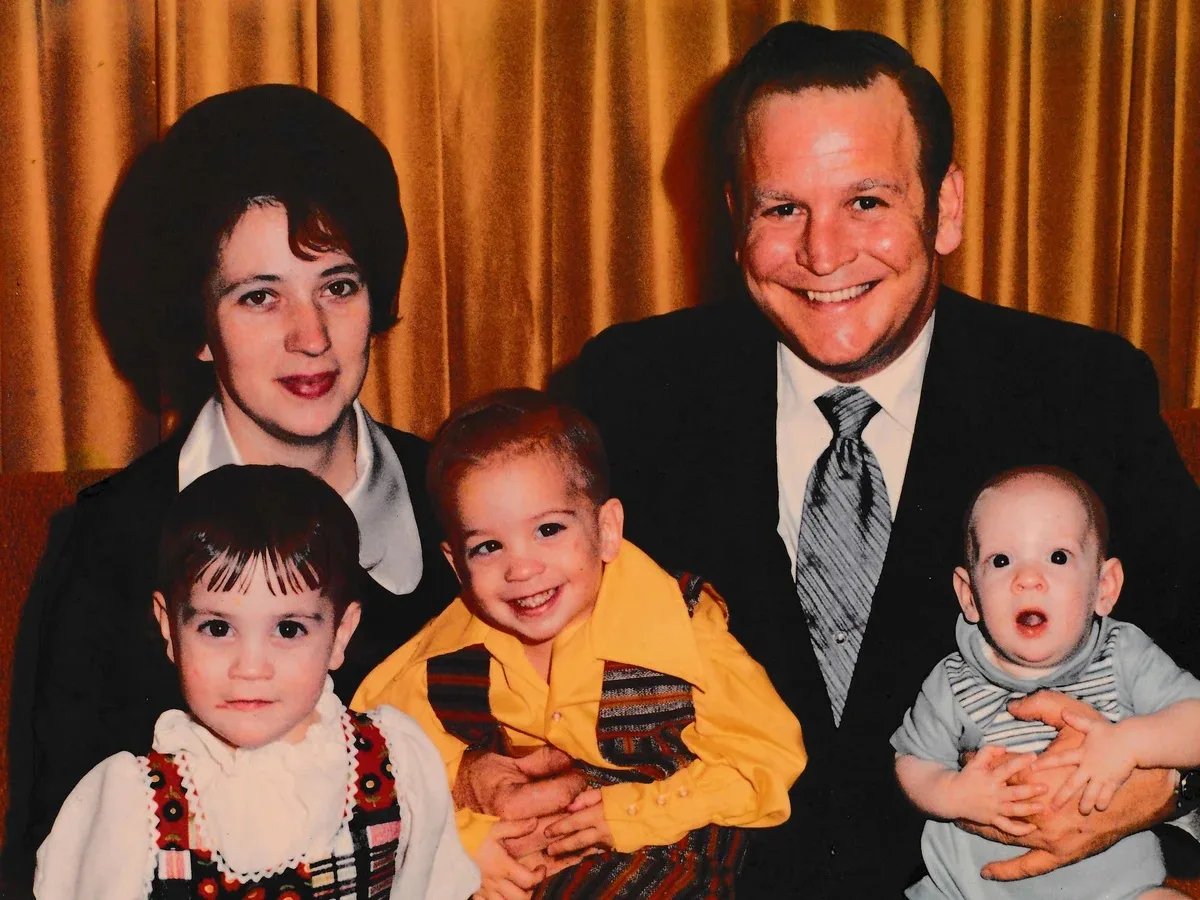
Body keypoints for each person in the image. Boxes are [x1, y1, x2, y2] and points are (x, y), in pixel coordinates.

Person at [566, 20, 1200, 897]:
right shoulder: (631, 389)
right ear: (733, 219)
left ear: (944, 208)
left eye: (866, 201)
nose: (823, 255)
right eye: (782, 207)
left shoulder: (1081, 390)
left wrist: (1163, 793)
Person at [11, 84, 458, 878]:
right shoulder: (112, 545)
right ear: (199, 331)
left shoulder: (463, 500)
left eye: (339, 286)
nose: (311, 335)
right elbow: (56, 861)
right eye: (260, 296)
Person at [353, 389, 807, 899]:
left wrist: (638, 814)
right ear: (456, 565)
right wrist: (463, 841)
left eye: (548, 529)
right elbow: (369, 761)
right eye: (488, 547)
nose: (521, 568)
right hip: (533, 860)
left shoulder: (681, 628)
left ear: (606, 528)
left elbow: (770, 758)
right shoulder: (446, 654)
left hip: (671, 844)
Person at [32, 464, 479, 899]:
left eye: (288, 630)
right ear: (169, 628)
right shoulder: (134, 805)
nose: (250, 667)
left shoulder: (396, 761)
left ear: (341, 633)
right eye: (218, 628)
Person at [893, 466, 1200, 899]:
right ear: (968, 595)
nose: (1028, 578)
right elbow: (911, 761)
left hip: (1115, 891)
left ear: (1104, 586)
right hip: (968, 890)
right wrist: (953, 793)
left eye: (1058, 557)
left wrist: (1128, 743)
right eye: (1001, 561)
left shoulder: (1124, 655)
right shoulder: (952, 679)